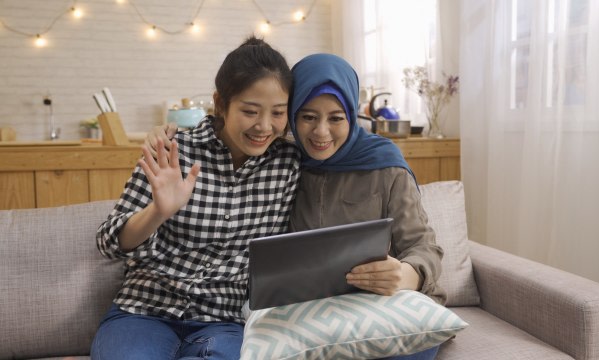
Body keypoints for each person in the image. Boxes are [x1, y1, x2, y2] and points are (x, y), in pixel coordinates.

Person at [148, 53, 446, 360]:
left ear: (353, 116)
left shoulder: (385, 166)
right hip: (309, 314)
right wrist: (172, 134)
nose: (321, 132)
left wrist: (408, 274)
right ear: (291, 116)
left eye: (336, 118)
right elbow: (230, 138)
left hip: (380, 306)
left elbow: (424, 246)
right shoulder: (280, 161)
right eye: (308, 117)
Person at [91, 36, 301, 360]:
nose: (264, 126)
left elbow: (338, 138)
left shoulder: (289, 162)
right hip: (144, 310)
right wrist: (157, 212)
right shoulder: (176, 150)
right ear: (220, 104)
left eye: (278, 112)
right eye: (250, 111)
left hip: (223, 322)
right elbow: (108, 243)